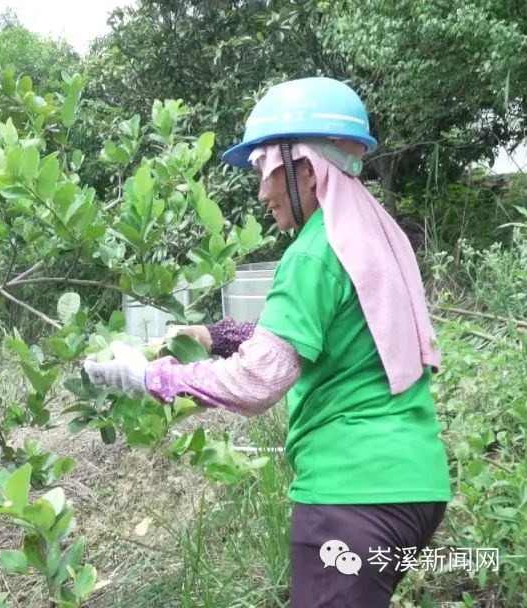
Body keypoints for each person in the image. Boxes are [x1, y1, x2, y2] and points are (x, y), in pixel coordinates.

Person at [82, 77, 452, 607]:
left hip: (351, 498)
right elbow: (327, 341)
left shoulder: (311, 253)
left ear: (304, 167)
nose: (261, 192)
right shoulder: (375, 238)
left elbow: (259, 380)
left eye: (263, 170)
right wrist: (215, 336)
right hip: (415, 493)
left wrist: (145, 378)